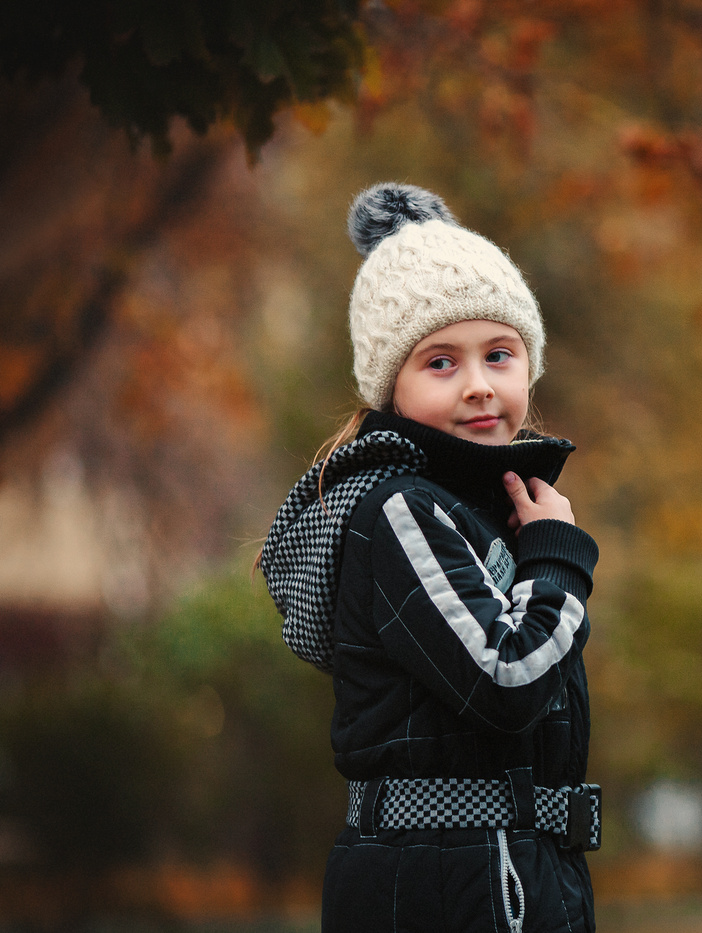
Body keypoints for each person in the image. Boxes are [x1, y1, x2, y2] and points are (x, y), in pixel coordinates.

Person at [259, 183, 601, 933]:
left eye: (499, 354)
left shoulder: (494, 512)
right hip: (444, 881)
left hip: (516, 868)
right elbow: (507, 676)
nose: (480, 384)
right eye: (441, 362)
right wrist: (558, 558)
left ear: (528, 366)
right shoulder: (400, 511)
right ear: (393, 385)